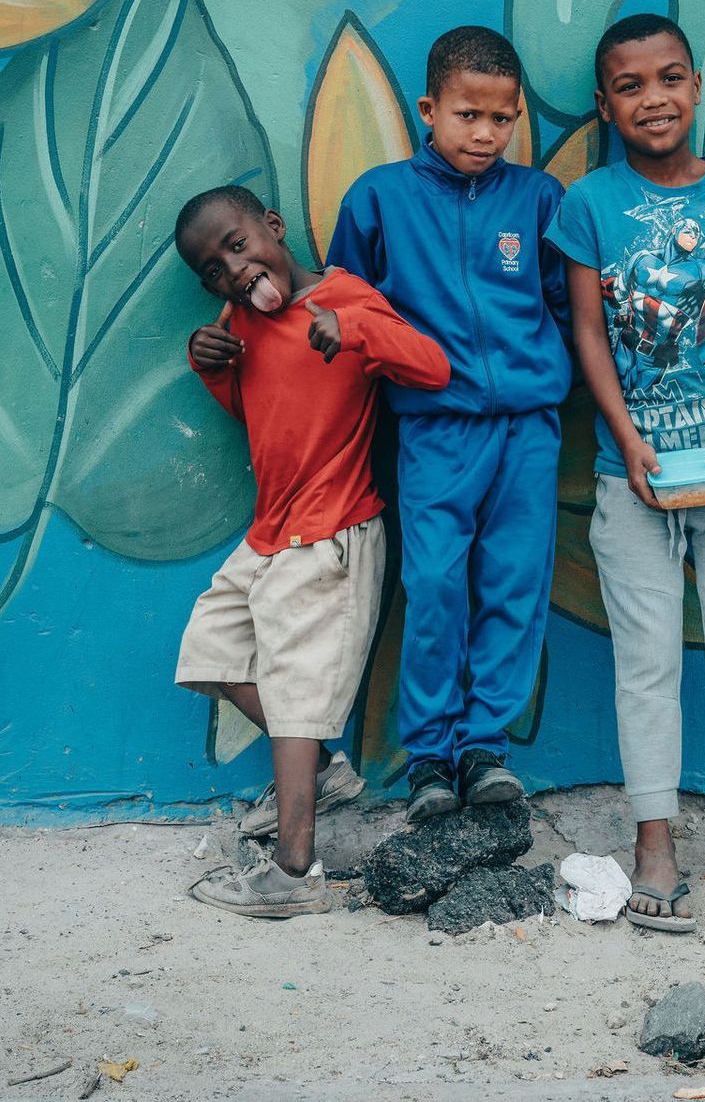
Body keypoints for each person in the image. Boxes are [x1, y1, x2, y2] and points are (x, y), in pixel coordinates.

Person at [547, 14, 705, 938]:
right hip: (630, 477)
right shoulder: (588, 206)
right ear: (605, 105)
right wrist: (627, 440)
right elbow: (586, 330)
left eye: (669, 78)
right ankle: (655, 842)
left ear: (695, 88)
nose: (651, 98)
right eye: (628, 85)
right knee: (643, 664)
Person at [174, 185, 449, 916]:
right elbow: (259, 410)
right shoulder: (238, 322)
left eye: (237, 246)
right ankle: (321, 768)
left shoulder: (344, 297)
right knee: (209, 650)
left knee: (295, 696)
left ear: (273, 227)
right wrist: (212, 366)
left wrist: (355, 333)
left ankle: (293, 872)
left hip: (331, 533)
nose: (232, 271)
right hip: (270, 531)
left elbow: (431, 365)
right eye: (211, 269)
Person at [327, 26, 571, 822]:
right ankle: (428, 753)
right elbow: (346, 306)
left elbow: (567, 305)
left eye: (502, 119)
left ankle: (483, 746)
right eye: (468, 114)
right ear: (429, 109)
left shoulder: (537, 199)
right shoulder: (378, 198)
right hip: (434, 430)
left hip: (527, 428)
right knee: (432, 582)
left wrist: (543, 374)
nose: (485, 134)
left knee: (513, 581)